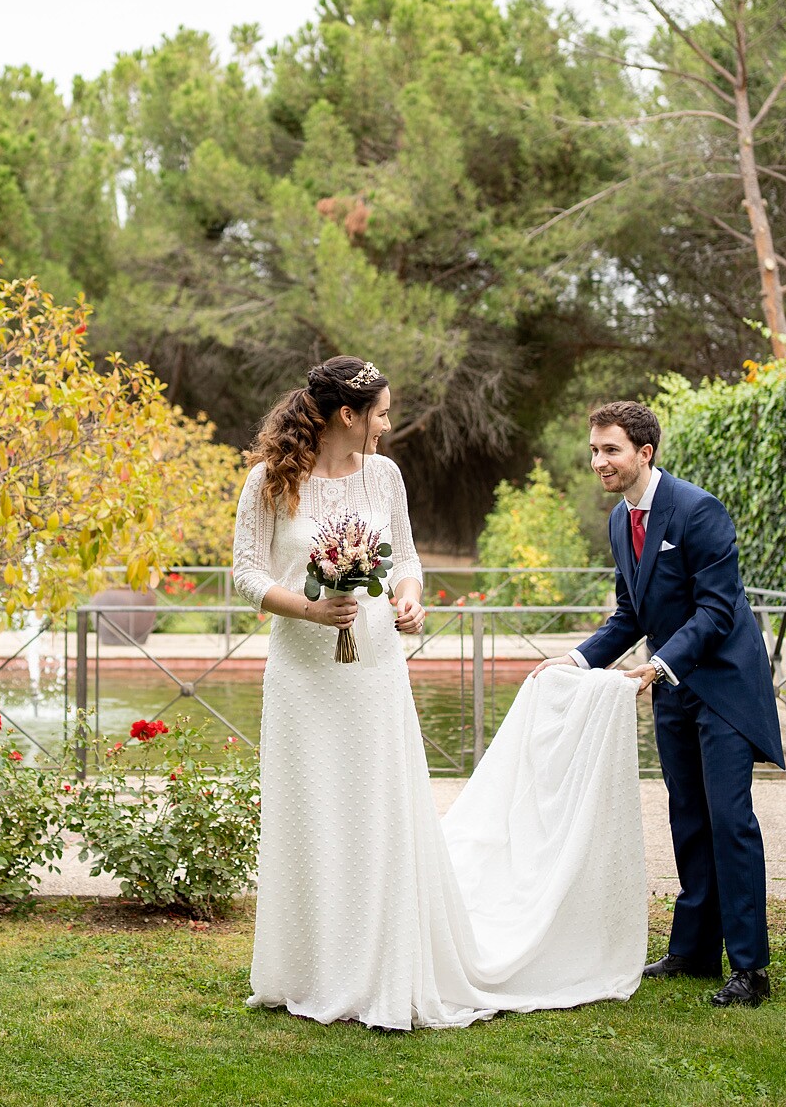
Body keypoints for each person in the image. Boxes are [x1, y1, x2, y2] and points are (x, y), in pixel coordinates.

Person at [235, 356, 647, 1030]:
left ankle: (382, 964)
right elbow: (247, 575)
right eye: (383, 411)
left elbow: (408, 558)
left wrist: (408, 596)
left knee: (379, 812)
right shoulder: (268, 481)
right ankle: (307, 966)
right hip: (303, 675)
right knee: (311, 814)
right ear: (350, 414)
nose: (389, 423)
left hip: (374, 670)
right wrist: (309, 610)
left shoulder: (386, 475)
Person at [538, 401, 784, 1008]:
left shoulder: (699, 511)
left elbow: (717, 611)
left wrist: (657, 665)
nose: (600, 461)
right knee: (688, 818)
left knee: (730, 821)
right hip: (671, 688)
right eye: (594, 450)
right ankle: (696, 952)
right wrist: (574, 661)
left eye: (611, 450)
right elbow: (630, 614)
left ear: (645, 453)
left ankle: (751, 969)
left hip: (723, 686)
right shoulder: (622, 523)